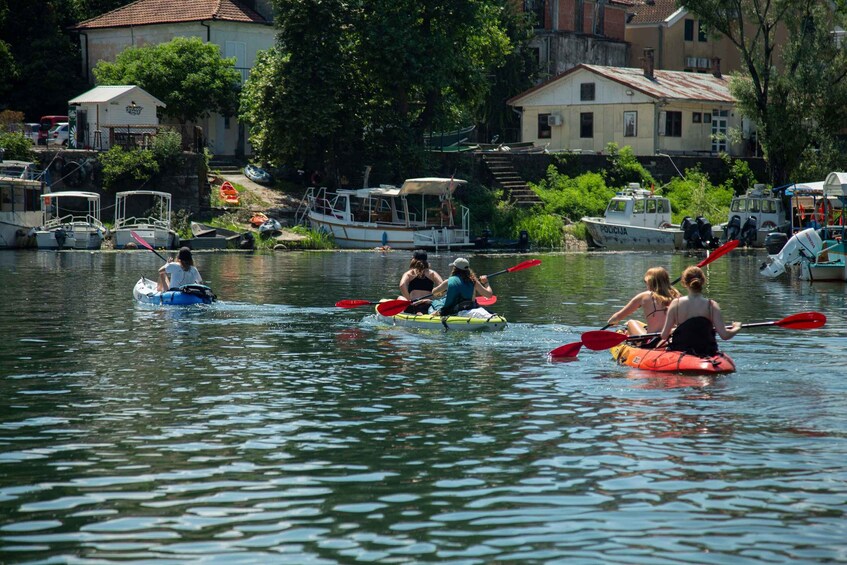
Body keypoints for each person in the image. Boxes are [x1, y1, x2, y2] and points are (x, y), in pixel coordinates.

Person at [658, 266, 741, 356]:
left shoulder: (676, 303)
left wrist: (675, 330)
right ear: (703, 281)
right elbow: (725, 335)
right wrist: (736, 327)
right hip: (707, 351)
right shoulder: (712, 305)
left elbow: (664, 336)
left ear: (684, 283)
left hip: (681, 350)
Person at [607, 267, 680, 339]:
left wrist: (611, 321)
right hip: (673, 337)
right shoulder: (677, 295)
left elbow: (618, 317)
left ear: (649, 281)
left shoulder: (644, 296)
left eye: (646, 282)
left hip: (652, 339)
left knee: (630, 322)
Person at [429, 257, 493, 317]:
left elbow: (434, 292)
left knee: (435, 303)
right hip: (469, 307)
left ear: (455, 269)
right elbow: (489, 295)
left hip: (452, 311)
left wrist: (442, 291)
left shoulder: (448, 281)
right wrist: (486, 283)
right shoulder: (474, 282)